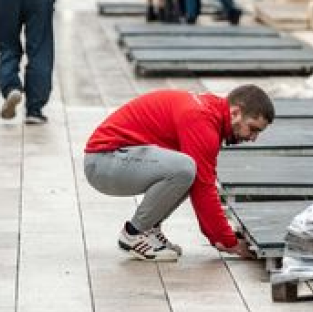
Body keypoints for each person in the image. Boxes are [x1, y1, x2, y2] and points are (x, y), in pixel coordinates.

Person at [83, 85, 275, 261]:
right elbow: (204, 187)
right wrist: (229, 242)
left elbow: (200, 183)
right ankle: (134, 234)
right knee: (185, 168)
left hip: (115, 160)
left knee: (188, 170)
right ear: (235, 113)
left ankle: (149, 229)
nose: (253, 138)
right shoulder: (202, 120)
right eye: (252, 129)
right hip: (104, 161)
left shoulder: (209, 112)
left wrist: (219, 236)